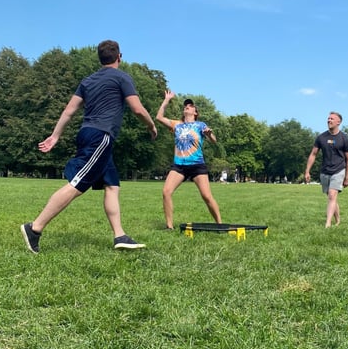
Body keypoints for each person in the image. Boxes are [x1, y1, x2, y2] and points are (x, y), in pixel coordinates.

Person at [20, 40, 158, 254]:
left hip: (89, 134)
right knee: (77, 184)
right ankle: (34, 228)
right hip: (100, 137)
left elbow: (69, 111)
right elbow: (138, 109)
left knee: (112, 185)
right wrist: (152, 126)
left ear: (100, 58)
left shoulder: (88, 80)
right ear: (119, 57)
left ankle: (119, 235)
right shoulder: (122, 77)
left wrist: (56, 135)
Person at [156, 91, 222, 230]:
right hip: (179, 166)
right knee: (166, 192)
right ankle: (169, 226)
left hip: (197, 165)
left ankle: (220, 225)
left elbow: (214, 141)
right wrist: (166, 100)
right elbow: (159, 117)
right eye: (186, 105)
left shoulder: (200, 125)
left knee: (206, 196)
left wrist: (210, 135)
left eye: (191, 106)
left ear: (195, 112)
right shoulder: (176, 125)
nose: (187, 106)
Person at [304, 112, 348, 227]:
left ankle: (328, 223)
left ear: (338, 122)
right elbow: (313, 154)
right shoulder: (321, 137)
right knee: (331, 197)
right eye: (328, 118)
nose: (329, 120)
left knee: (332, 195)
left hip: (339, 170)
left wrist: (347, 177)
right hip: (325, 171)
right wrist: (307, 171)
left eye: (332, 118)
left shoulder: (344, 138)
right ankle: (338, 220)